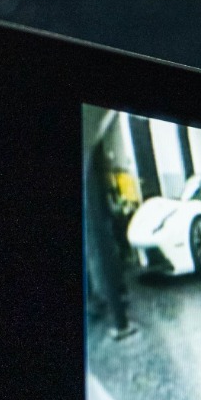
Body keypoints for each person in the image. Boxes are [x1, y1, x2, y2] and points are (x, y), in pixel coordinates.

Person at [83, 126, 137, 340]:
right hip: (105, 217)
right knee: (103, 249)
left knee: (104, 249)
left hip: (107, 216)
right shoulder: (102, 173)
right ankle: (114, 300)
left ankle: (112, 298)